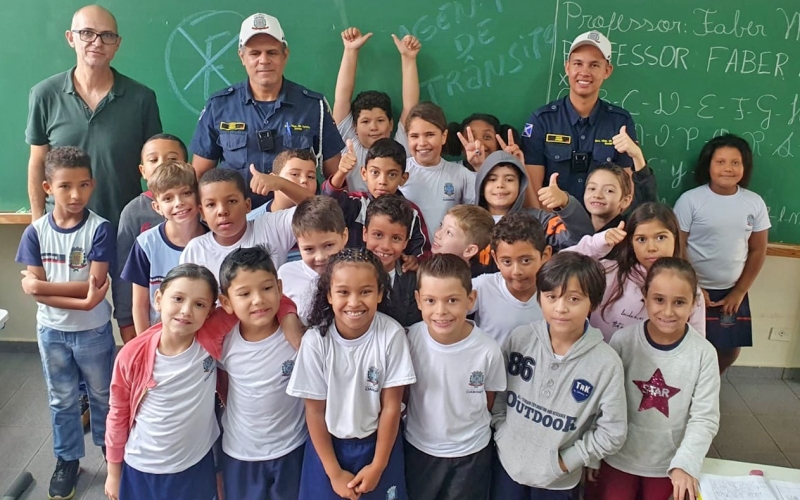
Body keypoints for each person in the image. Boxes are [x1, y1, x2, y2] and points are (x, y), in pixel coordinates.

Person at [15, 146, 116, 500]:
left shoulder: (100, 230)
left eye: (84, 185)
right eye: (65, 186)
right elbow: (75, 290)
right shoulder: (36, 232)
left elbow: (92, 287)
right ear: (47, 188)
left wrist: (39, 286)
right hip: (52, 332)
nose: (76, 194)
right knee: (61, 399)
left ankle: (111, 453)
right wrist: (80, 296)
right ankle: (67, 459)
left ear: (93, 184)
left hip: (93, 331)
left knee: (103, 395)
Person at [491, 252, 627, 499]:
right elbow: (498, 394)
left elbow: (613, 431)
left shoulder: (606, 363)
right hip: (506, 468)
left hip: (558, 482)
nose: (561, 308)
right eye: (551, 297)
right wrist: (502, 433)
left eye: (574, 298)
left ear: (593, 302)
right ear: (539, 298)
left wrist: (566, 462)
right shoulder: (519, 339)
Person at [287, 248, 416, 500]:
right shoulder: (316, 341)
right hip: (327, 450)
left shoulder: (391, 334)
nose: (354, 302)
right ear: (329, 296)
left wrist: (378, 466)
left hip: (379, 446)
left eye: (365, 291)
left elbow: (391, 407)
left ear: (380, 293)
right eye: (343, 292)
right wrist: (334, 473)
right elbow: (314, 411)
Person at [586, 258, 720, 500]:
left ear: (694, 303)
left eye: (679, 302)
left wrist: (685, 463)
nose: (668, 312)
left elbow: (705, 417)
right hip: (618, 457)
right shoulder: (622, 341)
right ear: (645, 296)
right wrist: (594, 455)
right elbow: (601, 403)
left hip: (667, 465)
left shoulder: (704, 354)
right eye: (659, 300)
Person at [103, 265, 239, 500]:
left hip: (196, 464)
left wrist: (288, 315)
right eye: (177, 298)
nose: (186, 311)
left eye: (199, 304)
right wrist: (114, 473)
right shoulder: (132, 355)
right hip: (145, 467)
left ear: (209, 313)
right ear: (158, 299)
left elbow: (255, 301)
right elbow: (117, 414)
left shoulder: (209, 335)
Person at [190, 12, 344, 208]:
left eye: (271, 52)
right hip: (238, 225)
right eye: (255, 53)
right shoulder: (219, 106)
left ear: (285, 55)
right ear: (242, 56)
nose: (264, 60)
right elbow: (200, 176)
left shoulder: (313, 106)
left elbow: (336, 176)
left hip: (296, 223)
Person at [26, 5, 162, 227]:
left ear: (117, 44)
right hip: (61, 228)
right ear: (71, 38)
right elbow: (38, 162)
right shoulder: (44, 94)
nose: (97, 42)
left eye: (107, 35)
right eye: (87, 33)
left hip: (124, 226)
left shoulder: (142, 98)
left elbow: (157, 165)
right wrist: (37, 223)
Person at [404, 254, 505, 500]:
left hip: (471, 453)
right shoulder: (409, 340)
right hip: (420, 449)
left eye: (452, 300)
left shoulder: (488, 349)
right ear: (418, 300)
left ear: (470, 300)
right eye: (430, 300)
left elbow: (489, 399)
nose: (441, 311)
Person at [674, 134, 770, 374]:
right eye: (720, 162)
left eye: (735, 162)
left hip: (732, 290)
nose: (728, 168)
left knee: (728, 349)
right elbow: (678, 246)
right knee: (685, 344)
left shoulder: (754, 203)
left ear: (744, 167)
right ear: (709, 165)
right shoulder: (691, 200)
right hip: (692, 287)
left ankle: (710, 386)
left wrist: (739, 292)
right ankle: (683, 390)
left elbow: (758, 250)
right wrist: (694, 286)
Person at [217, 247, 307, 500]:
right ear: (226, 302)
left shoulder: (298, 338)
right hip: (241, 454)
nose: (258, 300)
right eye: (244, 293)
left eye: (267, 288)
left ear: (279, 288)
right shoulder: (223, 342)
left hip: (293, 448)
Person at [520, 31, 637, 206]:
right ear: (567, 67)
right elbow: (533, 193)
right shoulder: (542, 120)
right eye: (578, 63)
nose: (584, 72)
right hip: (553, 226)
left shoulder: (620, 122)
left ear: (607, 71)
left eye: (594, 65)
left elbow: (625, 190)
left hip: (602, 226)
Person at [565, 202, 706, 342]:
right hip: (602, 361)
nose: (651, 247)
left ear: (675, 238)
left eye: (660, 237)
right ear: (631, 243)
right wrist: (597, 244)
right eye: (641, 239)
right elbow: (560, 265)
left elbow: (697, 342)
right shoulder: (608, 273)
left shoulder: (688, 286)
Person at [114, 134, 187, 343]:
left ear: (186, 165)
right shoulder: (133, 212)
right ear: (142, 170)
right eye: (153, 160)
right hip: (151, 320)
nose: (163, 165)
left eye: (172, 159)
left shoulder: (196, 206)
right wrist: (126, 319)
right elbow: (123, 272)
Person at [121, 161, 207, 335]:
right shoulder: (146, 244)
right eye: (168, 198)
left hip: (205, 339)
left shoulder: (214, 239)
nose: (179, 203)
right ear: (157, 207)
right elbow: (139, 305)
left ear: (198, 196)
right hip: (161, 340)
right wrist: (144, 346)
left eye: (186, 193)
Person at [332, 27, 421, 193]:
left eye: (380, 120)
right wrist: (350, 50)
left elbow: (410, 106)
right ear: (354, 127)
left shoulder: (399, 147)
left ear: (391, 124)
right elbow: (342, 98)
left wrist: (408, 59)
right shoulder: (350, 146)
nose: (373, 127)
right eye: (365, 122)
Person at [323, 138, 430, 258]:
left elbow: (422, 253)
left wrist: (415, 261)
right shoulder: (356, 203)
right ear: (364, 173)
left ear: (403, 178)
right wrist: (341, 173)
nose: (382, 181)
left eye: (392, 174)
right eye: (375, 172)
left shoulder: (411, 213)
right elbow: (328, 203)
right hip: (353, 273)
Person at [470, 213, 551, 345]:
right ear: (495, 258)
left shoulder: (556, 294)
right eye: (507, 262)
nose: (516, 272)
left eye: (525, 260)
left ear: (545, 255)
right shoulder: (483, 287)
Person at [399, 102, 477, 240]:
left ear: (444, 136)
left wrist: (478, 167)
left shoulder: (460, 173)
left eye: (429, 135)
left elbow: (475, 215)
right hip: (409, 255)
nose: (422, 143)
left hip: (448, 255)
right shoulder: (399, 171)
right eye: (414, 136)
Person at [278, 196, 349, 322]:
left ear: (344, 236)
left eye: (328, 245)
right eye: (309, 249)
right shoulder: (286, 275)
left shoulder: (357, 272)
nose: (320, 257)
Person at [362, 194, 423, 327]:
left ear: (406, 242)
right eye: (378, 235)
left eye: (396, 238)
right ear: (365, 233)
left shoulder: (414, 280)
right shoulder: (348, 272)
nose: (385, 246)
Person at [430, 204, 494, 276]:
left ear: (469, 250)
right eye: (441, 225)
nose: (437, 234)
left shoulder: (478, 282)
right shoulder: (426, 270)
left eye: (449, 233)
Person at [445, 113, 519, 172]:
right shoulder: (449, 171)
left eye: (487, 137)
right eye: (471, 137)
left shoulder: (507, 173)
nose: (478, 144)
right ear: (460, 143)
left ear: (498, 143)